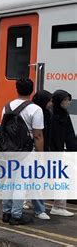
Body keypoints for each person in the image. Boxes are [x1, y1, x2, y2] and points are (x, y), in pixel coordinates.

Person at [1, 78, 44, 226]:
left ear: (16, 89)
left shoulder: (6, 107)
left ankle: (6, 212)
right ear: (32, 90)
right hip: (27, 151)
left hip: (9, 150)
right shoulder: (36, 109)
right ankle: (16, 215)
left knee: (9, 181)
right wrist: (41, 155)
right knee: (21, 183)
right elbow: (38, 135)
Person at [48, 89, 76, 217]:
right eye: (65, 100)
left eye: (68, 100)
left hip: (59, 152)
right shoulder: (51, 115)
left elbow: (69, 134)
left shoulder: (64, 114)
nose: (67, 102)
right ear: (58, 101)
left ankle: (59, 206)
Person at [27, 90, 53, 220]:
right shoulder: (38, 113)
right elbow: (38, 135)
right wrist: (41, 154)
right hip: (34, 151)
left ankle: (31, 204)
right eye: (49, 101)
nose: (51, 103)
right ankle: (39, 209)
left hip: (41, 149)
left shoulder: (47, 113)